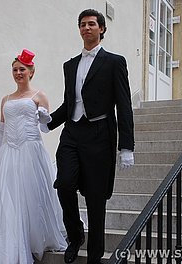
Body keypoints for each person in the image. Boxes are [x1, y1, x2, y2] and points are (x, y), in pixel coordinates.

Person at [45, 8, 135, 264]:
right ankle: (75, 236)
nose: (87, 28)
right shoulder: (70, 65)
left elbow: (124, 105)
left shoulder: (114, 62)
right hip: (72, 134)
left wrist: (126, 146)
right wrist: (47, 122)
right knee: (63, 184)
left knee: (96, 201)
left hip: (100, 136)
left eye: (92, 24)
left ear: (102, 29)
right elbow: (69, 104)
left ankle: (94, 257)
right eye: (83, 24)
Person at [0, 49, 67, 264]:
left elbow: (46, 129)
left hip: (31, 152)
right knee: (8, 199)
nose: (18, 73)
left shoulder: (39, 95)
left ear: (31, 72)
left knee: (31, 196)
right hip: (8, 153)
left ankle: (33, 238)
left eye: (22, 69)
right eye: (14, 70)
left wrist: (43, 116)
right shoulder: (6, 99)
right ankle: (9, 242)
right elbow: (1, 130)